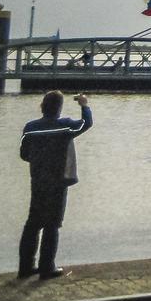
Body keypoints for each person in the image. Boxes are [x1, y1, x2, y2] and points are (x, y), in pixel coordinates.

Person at [19, 90, 93, 279]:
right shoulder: (64, 126)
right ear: (59, 108)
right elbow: (86, 124)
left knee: (33, 223)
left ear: (42, 106)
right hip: (58, 181)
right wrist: (84, 105)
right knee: (52, 224)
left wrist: (39, 163)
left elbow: (24, 154)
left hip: (37, 180)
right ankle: (47, 267)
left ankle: (26, 267)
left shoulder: (30, 128)